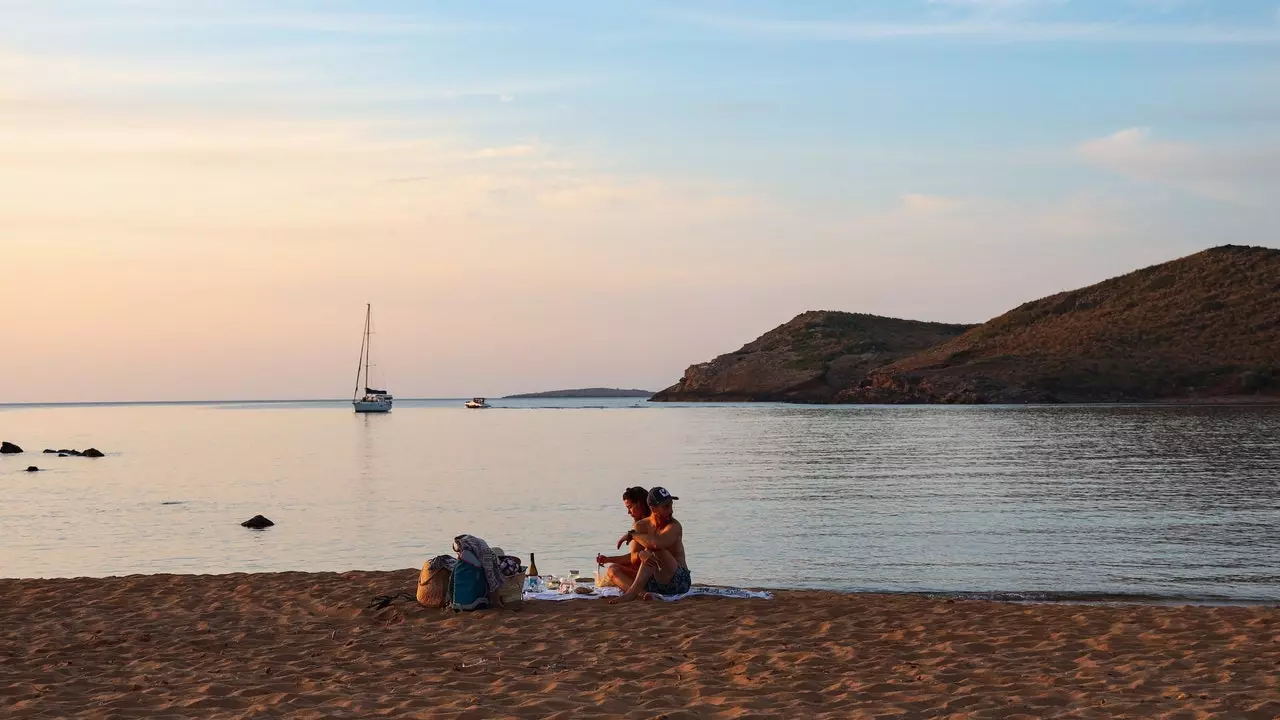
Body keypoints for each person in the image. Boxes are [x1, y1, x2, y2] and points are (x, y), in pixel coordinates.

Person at [607, 487, 691, 603]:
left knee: (654, 549)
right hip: (654, 581)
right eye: (666, 507)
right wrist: (641, 554)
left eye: (671, 505)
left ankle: (631, 594)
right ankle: (643, 595)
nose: (671, 510)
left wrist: (632, 535)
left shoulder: (674, 526)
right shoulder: (641, 526)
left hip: (678, 581)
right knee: (613, 569)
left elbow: (656, 544)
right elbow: (633, 557)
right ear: (653, 509)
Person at [595, 487, 650, 587]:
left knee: (613, 570)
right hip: (658, 570)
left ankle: (640, 594)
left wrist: (609, 560)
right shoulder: (655, 521)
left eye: (630, 507)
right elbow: (635, 556)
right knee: (620, 567)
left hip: (651, 574)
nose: (629, 512)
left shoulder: (641, 525)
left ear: (639, 504)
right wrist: (608, 559)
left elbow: (633, 558)